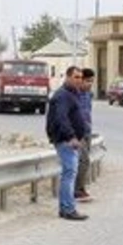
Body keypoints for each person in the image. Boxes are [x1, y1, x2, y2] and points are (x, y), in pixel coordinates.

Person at [45, 66, 89, 221]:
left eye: (80, 77)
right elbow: (61, 118)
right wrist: (71, 137)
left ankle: (67, 208)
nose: (79, 80)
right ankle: (67, 209)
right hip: (66, 141)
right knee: (69, 174)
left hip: (71, 141)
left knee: (69, 173)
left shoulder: (72, 94)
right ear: (68, 77)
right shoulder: (63, 96)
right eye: (76, 77)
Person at [75, 67, 96, 202]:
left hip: (87, 131)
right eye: (87, 81)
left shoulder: (89, 95)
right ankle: (77, 190)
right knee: (83, 161)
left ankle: (80, 188)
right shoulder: (74, 94)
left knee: (85, 162)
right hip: (77, 133)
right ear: (81, 80)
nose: (90, 84)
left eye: (92, 81)